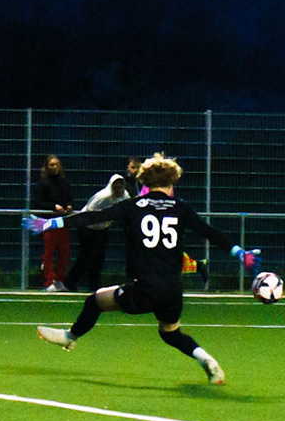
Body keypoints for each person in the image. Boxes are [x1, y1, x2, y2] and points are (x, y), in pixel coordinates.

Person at [25, 154, 261, 384]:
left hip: (144, 288)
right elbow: (209, 232)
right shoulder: (180, 207)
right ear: (171, 182)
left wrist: (49, 223)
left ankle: (70, 337)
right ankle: (208, 361)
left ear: (145, 182)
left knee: (95, 301)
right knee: (170, 332)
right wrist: (240, 253)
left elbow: (91, 217)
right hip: (172, 289)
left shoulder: (133, 206)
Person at [66, 172, 130, 292]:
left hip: (103, 228)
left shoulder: (125, 196)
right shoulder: (102, 197)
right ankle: (71, 281)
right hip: (88, 227)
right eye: (116, 185)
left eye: (121, 186)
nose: (119, 188)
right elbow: (90, 212)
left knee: (99, 258)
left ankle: (93, 284)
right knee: (85, 257)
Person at [31, 155, 75, 290]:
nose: (54, 167)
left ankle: (59, 279)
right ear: (46, 167)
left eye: (56, 164)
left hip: (63, 222)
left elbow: (69, 198)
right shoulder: (42, 184)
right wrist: (53, 207)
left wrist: (68, 206)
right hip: (49, 222)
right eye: (51, 165)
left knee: (64, 252)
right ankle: (48, 281)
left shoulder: (64, 183)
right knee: (49, 252)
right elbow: (38, 202)